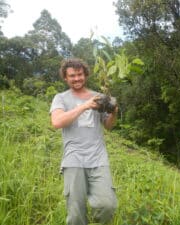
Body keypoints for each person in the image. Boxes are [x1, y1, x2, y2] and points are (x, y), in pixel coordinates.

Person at [50, 58, 118, 225]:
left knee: (107, 205)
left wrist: (114, 112)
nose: (77, 79)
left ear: (85, 75)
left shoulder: (99, 97)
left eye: (79, 75)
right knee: (76, 214)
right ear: (65, 78)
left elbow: (108, 126)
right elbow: (57, 122)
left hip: (98, 159)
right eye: (72, 76)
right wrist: (85, 106)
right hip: (73, 159)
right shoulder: (61, 98)